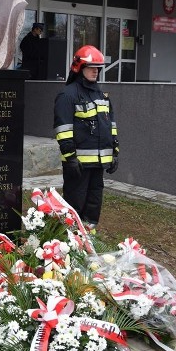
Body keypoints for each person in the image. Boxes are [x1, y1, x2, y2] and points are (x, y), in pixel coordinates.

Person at [53, 45, 118, 230]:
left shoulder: (101, 95)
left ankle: (89, 237)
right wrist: (70, 158)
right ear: (79, 68)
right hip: (78, 164)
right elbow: (63, 130)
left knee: (94, 203)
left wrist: (115, 152)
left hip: (99, 164)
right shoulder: (68, 95)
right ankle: (70, 242)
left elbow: (111, 126)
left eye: (98, 68)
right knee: (74, 204)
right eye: (91, 68)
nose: (95, 71)